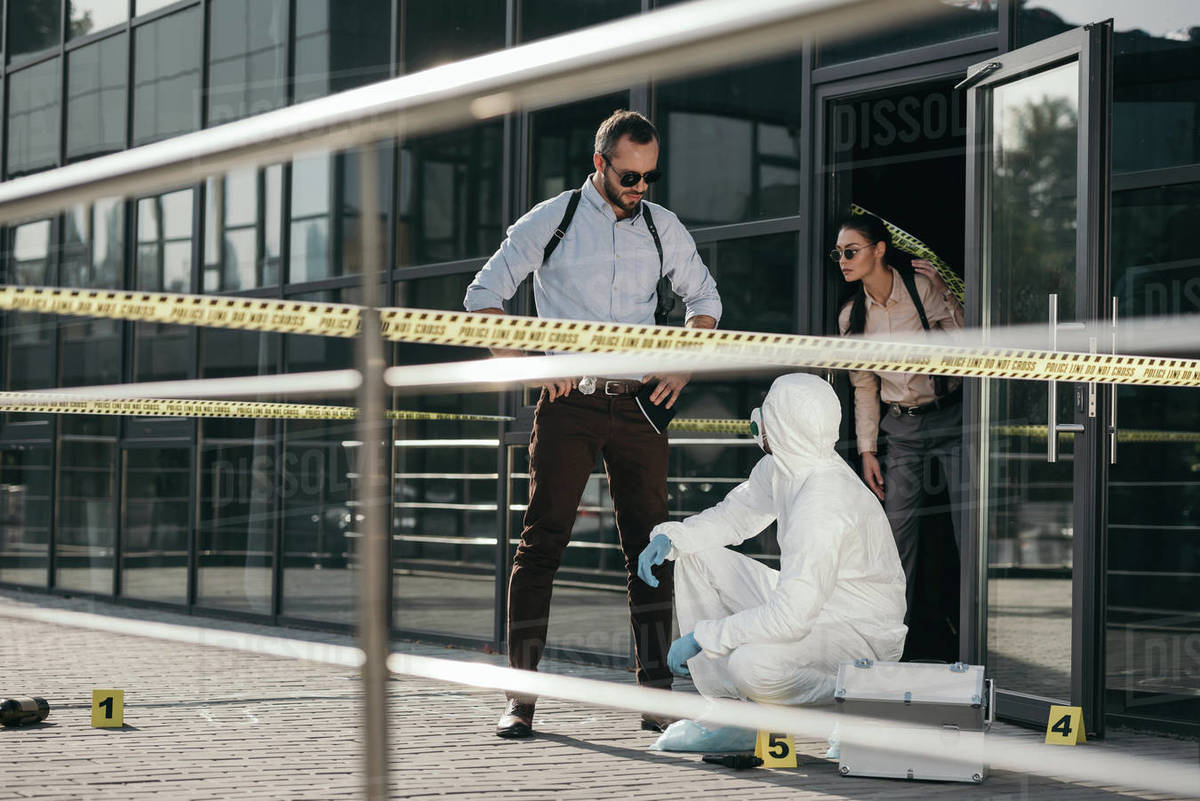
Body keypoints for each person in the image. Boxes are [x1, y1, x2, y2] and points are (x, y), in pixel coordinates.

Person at [464, 109, 721, 738]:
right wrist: (525, 367)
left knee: (650, 553)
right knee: (542, 544)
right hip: (569, 404)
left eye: (649, 178)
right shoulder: (552, 221)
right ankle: (520, 699)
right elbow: (481, 299)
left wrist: (683, 367)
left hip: (639, 407)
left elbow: (705, 301)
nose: (640, 190)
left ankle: (658, 701)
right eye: (629, 176)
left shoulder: (662, 228)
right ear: (600, 163)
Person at [636, 373, 907, 710]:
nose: (760, 420)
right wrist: (670, 537)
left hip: (857, 632)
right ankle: (729, 710)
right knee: (696, 553)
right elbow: (736, 516)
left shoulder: (823, 504)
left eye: (769, 412)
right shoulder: (784, 467)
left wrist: (703, 637)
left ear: (785, 426)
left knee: (753, 666)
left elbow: (791, 618)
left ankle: (865, 696)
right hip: (813, 606)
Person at [833, 213, 965, 626]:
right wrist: (868, 451)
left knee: (971, 528)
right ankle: (893, 635)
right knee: (895, 535)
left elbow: (969, 341)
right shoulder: (851, 317)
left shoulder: (921, 290)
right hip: (902, 430)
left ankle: (975, 632)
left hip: (952, 420)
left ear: (879, 250)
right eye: (837, 253)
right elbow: (864, 388)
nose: (842, 259)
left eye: (850, 251)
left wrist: (945, 292)